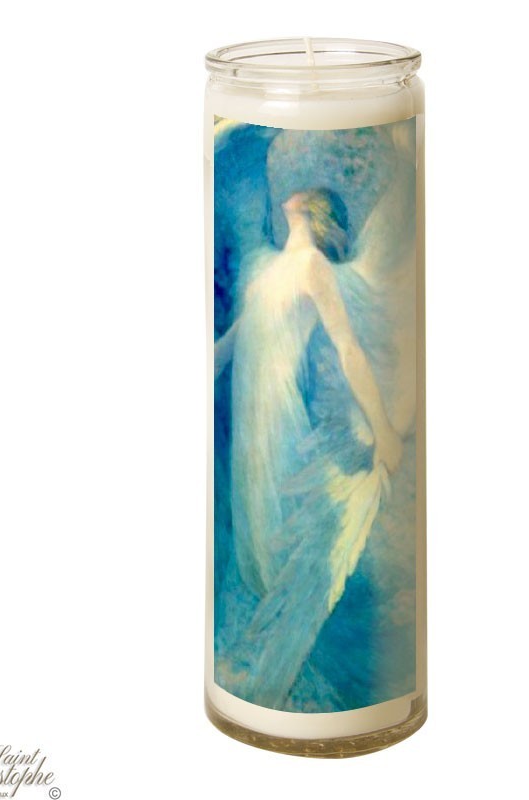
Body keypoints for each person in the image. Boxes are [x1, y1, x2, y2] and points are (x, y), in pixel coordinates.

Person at [214, 187, 402, 708]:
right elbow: (232, 342)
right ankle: (265, 661)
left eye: (304, 194)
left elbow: (347, 347)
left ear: (313, 214)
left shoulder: (313, 266)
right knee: (261, 539)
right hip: (253, 421)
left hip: (278, 417)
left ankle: (277, 666)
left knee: (287, 537)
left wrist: (383, 428)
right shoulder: (265, 269)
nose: (292, 195)